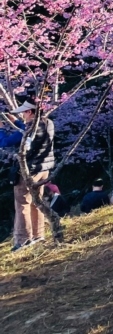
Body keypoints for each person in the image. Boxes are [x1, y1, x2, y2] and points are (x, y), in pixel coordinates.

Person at [9, 101, 55, 250]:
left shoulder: (30, 129)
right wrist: (15, 121)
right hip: (44, 168)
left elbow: (5, 141)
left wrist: (1, 129)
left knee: (23, 203)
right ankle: (38, 234)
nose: (22, 115)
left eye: (23, 112)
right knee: (37, 201)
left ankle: (23, 239)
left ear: (29, 112)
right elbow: (32, 132)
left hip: (29, 170)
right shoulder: (48, 123)